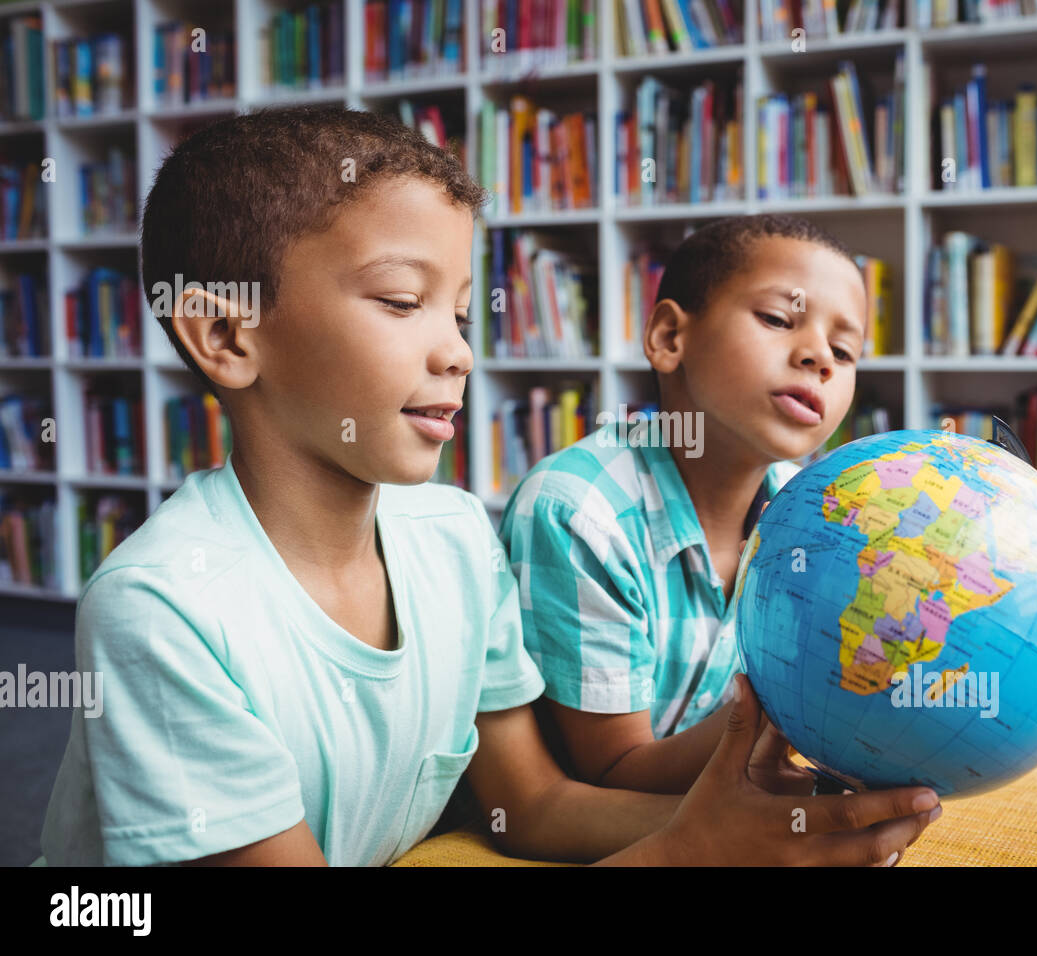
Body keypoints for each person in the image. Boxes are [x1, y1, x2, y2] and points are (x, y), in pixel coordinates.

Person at [38, 108, 939, 866]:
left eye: (461, 313)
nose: (459, 351)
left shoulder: (455, 534)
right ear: (229, 336)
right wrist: (678, 852)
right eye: (401, 302)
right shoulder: (161, 613)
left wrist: (737, 833)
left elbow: (534, 804)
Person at [499, 215, 874, 795]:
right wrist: (812, 708)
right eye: (778, 319)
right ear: (670, 338)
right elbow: (612, 773)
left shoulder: (819, 516)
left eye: (845, 351)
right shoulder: (580, 512)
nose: (820, 358)